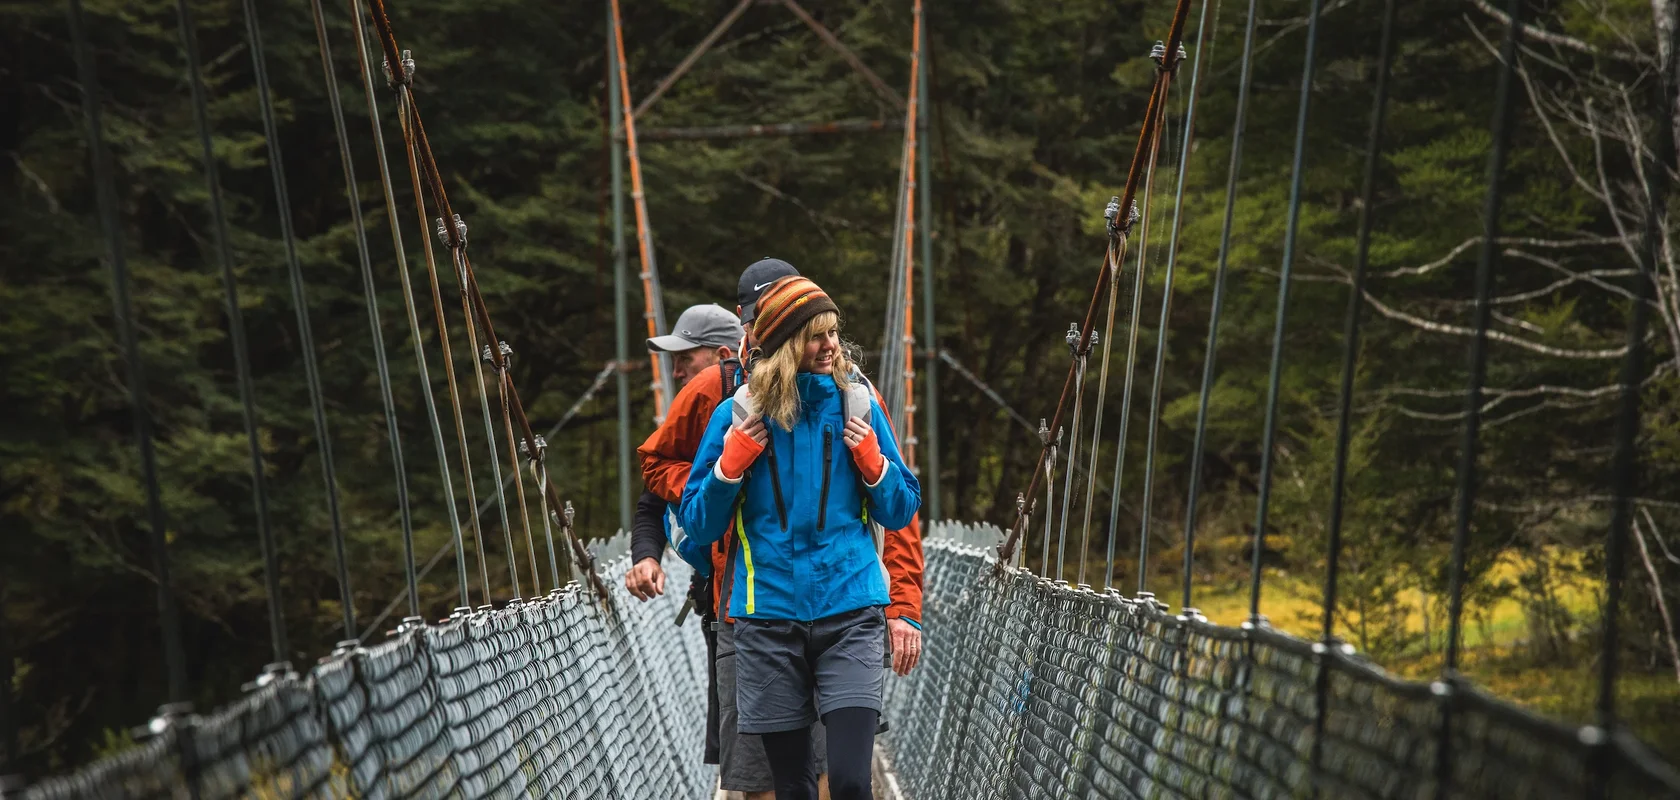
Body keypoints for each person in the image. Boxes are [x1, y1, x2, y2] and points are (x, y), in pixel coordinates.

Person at [679, 276, 921, 800]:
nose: (830, 346)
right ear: (784, 345)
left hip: (851, 611)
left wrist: (875, 466)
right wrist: (728, 469)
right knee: (792, 787)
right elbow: (697, 525)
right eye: (814, 335)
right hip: (766, 619)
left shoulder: (857, 406)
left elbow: (902, 509)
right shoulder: (737, 415)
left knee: (854, 781)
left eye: (833, 332)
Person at [625, 303, 743, 602]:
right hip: (713, 590)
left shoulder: (758, 415)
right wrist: (646, 557)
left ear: (723, 357)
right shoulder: (688, 427)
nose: (676, 373)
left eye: (685, 359)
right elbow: (652, 502)